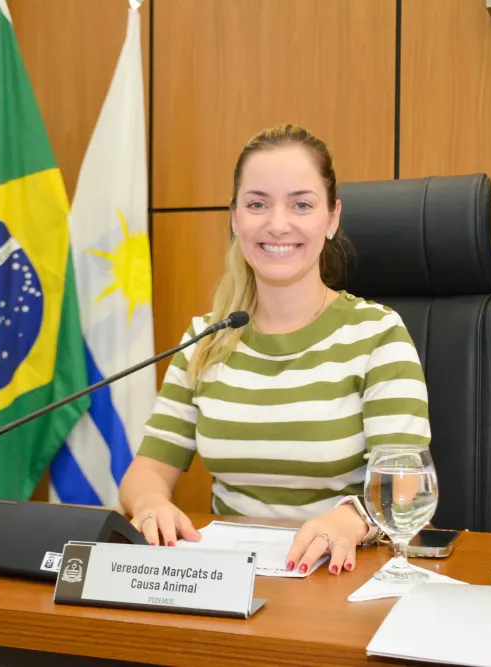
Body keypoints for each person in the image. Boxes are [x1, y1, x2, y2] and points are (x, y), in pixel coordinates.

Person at [118, 124, 431, 575]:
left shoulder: (377, 335)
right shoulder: (205, 339)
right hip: (226, 578)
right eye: (257, 204)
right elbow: (146, 471)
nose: (277, 224)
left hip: (341, 573)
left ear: (332, 218)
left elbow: (405, 484)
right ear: (234, 218)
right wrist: (151, 504)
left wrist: (350, 519)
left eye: (301, 204)